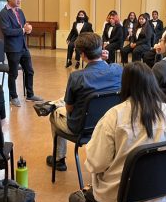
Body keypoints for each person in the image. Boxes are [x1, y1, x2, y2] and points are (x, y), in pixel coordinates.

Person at [85, 61, 166, 202]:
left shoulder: (115, 116)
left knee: (80, 196)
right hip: (161, 194)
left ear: (124, 85)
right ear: (153, 83)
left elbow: (97, 163)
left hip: (120, 197)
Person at [46, 33, 122, 171]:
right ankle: (55, 103)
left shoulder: (76, 77)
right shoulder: (117, 70)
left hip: (82, 128)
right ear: (101, 48)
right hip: (110, 124)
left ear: (82, 54)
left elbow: (69, 109)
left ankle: (59, 159)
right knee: (63, 101)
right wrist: (103, 61)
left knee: (55, 113)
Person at [0, 0, 43, 107]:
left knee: (29, 71)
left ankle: (30, 94)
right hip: (13, 48)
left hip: (23, 46)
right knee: (13, 74)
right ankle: (14, 97)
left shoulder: (20, 11)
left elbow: (24, 25)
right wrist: (23, 30)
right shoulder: (3, 13)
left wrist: (28, 28)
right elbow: (7, 31)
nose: (19, 0)